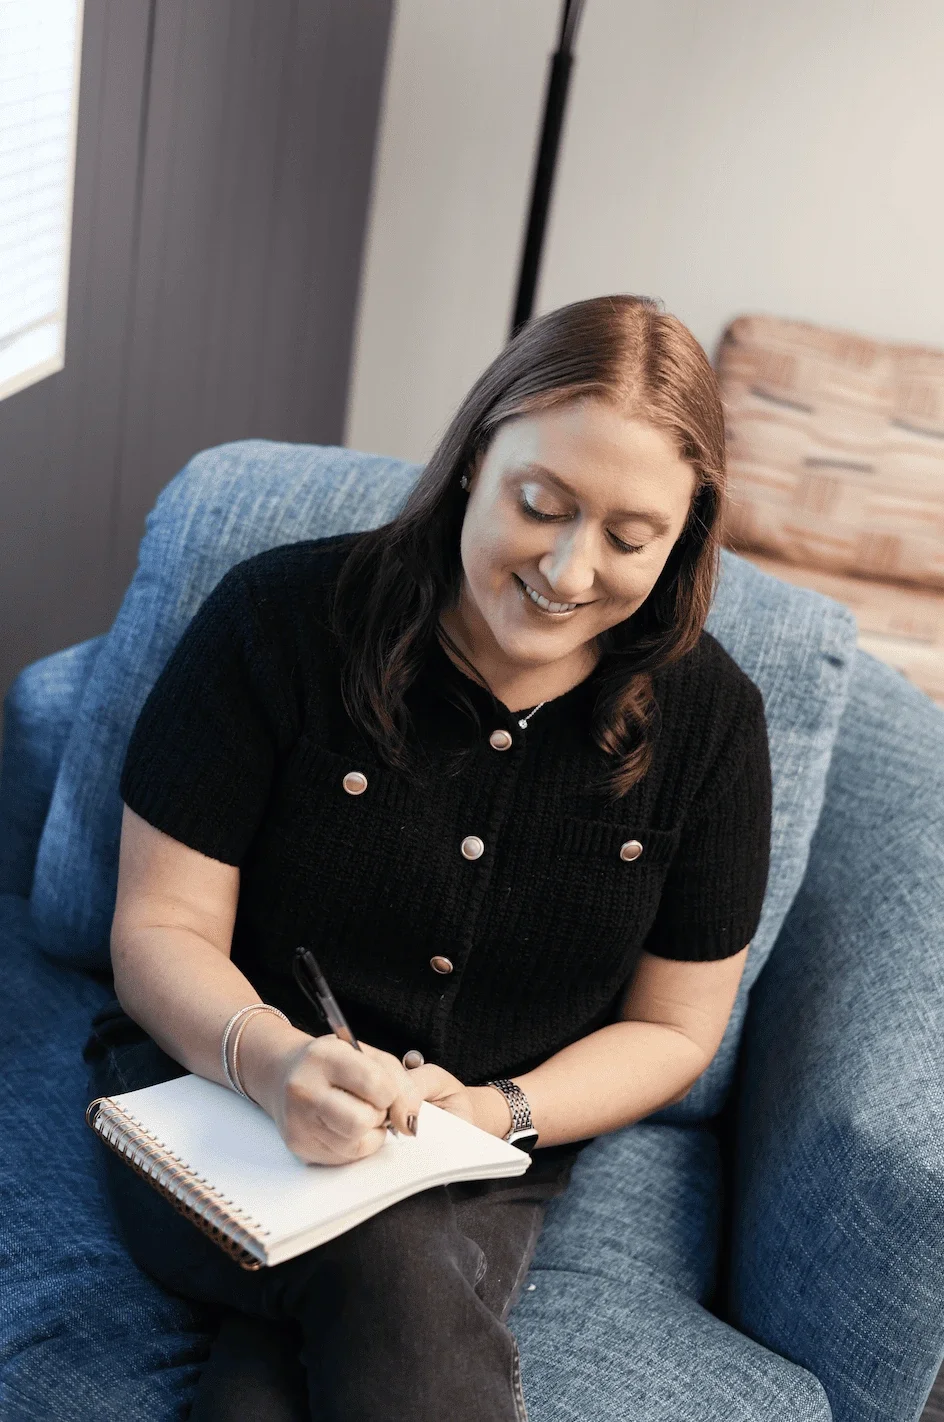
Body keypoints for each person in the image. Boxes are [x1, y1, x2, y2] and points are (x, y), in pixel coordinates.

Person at [84, 293, 772, 1421]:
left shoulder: (711, 724)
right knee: (394, 1266)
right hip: (213, 1094)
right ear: (471, 461)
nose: (566, 566)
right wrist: (274, 1065)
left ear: (684, 535)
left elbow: (675, 1027)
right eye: (538, 504)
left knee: (268, 1389)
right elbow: (158, 928)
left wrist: (491, 1113)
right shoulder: (279, 620)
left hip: (481, 1149)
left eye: (628, 537)